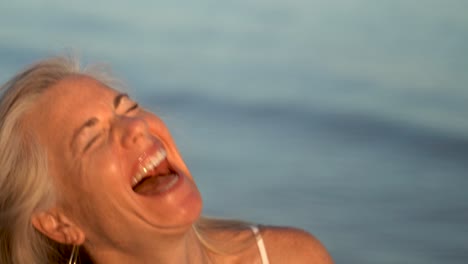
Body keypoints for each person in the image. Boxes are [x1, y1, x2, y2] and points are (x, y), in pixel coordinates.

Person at [0, 56, 333, 264]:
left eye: (128, 108)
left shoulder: (291, 257)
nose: (136, 126)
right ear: (60, 224)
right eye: (93, 137)